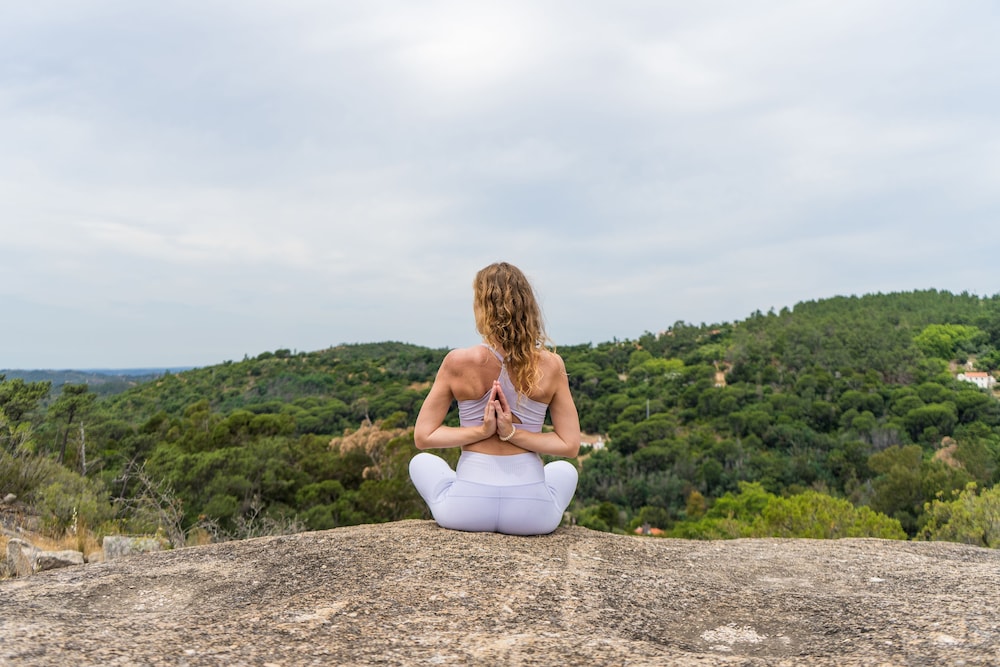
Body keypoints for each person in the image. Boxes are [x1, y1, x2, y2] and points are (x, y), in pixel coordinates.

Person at [409, 262, 580, 535]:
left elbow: (423, 437)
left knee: (420, 463)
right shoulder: (552, 365)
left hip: (466, 509)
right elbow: (570, 446)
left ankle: (465, 485)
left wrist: (481, 431)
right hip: (532, 514)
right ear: (528, 306)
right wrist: (512, 434)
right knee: (564, 470)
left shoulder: (457, 361)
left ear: (483, 308)